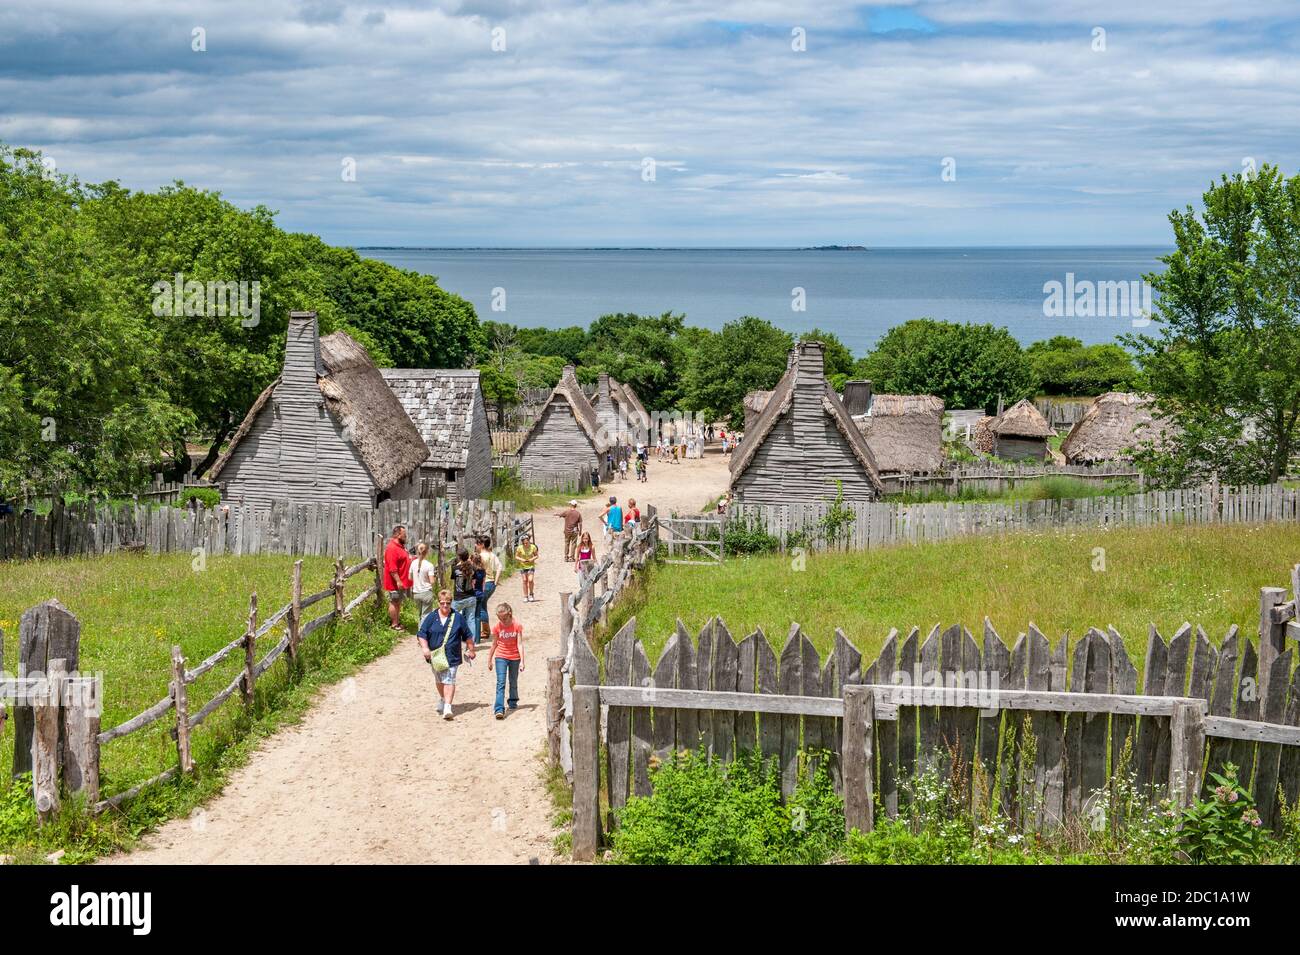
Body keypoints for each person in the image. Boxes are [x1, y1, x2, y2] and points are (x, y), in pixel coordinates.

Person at [417, 589, 476, 720]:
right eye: (442, 603)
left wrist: (471, 649)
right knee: (439, 680)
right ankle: (443, 698)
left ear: (451, 603)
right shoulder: (431, 617)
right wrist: (425, 648)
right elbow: (422, 634)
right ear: (438, 603)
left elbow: (468, 635)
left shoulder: (458, 618)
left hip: (452, 655)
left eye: (448, 603)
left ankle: (448, 706)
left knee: (449, 679)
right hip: (436, 655)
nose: (445, 606)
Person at [486, 602, 525, 719]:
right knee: (501, 682)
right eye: (499, 618)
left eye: (504, 618)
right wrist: (489, 659)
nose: (502, 620)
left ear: (510, 614)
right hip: (501, 656)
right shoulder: (497, 627)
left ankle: (513, 701)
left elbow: (520, 644)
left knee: (513, 681)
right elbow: (494, 644)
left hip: (514, 657)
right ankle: (499, 709)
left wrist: (522, 661)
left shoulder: (517, 626)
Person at [383, 524, 413, 631]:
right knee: (394, 601)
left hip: (402, 581)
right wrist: (398, 581)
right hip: (394, 582)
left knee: (398, 602)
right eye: (404, 535)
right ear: (398, 535)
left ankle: (397, 622)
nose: (406, 537)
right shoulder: (392, 548)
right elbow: (392, 568)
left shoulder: (400, 547)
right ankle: (394, 625)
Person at [476, 535, 502, 641]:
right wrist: (496, 581)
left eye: (477, 543)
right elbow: (499, 566)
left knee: (481, 608)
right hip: (491, 583)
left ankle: (485, 631)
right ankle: (485, 630)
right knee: (483, 605)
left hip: (483, 583)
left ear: (482, 545)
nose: (476, 545)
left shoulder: (481, 556)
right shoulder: (492, 555)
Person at [410, 542, 436, 625]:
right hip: (426, 592)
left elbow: (409, 578)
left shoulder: (413, 563)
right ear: (427, 552)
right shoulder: (429, 565)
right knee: (426, 615)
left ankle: (420, 630)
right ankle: (422, 633)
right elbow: (432, 581)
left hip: (416, 592)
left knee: (420, 614)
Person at [450, 548, 477, 623]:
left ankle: (454, 634)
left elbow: (453, 580)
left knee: (452, 618)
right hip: (471, 596)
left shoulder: (455, 568)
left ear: (459, 557)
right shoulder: (473, 568)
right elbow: (474, 581)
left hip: (458, 597)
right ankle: (472, 635)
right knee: (471, 620)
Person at [514, 533, 539, 602]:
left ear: (529, 541)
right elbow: (516, 556)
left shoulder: (533, 547)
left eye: (526, 543)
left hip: (531, 565)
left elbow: (536, 555)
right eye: (524, 543)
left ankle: (531, 594)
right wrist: (522, 560)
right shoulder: (520, 548)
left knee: (530, 580)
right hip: (522, 566)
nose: (525, 544)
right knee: (525, 580)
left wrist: (531, 559)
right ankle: (525, 596)